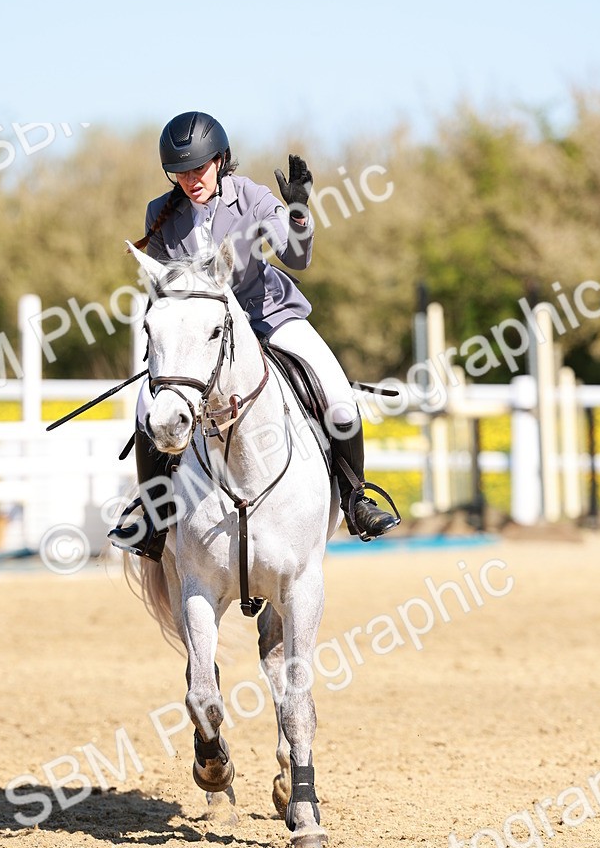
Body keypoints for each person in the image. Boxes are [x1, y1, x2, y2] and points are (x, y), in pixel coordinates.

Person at [109, 110, 400, 560]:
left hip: (266, 317)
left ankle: (356, 497)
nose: (190, 179)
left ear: (221, 160)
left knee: (337, 393)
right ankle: (152, 514)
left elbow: (296, 257)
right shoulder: (161, 214)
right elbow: (165, 293)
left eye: (199, 168)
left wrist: (299, 212)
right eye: (180, 172)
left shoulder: (252, 198)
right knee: (151, 404)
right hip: (201, 336)